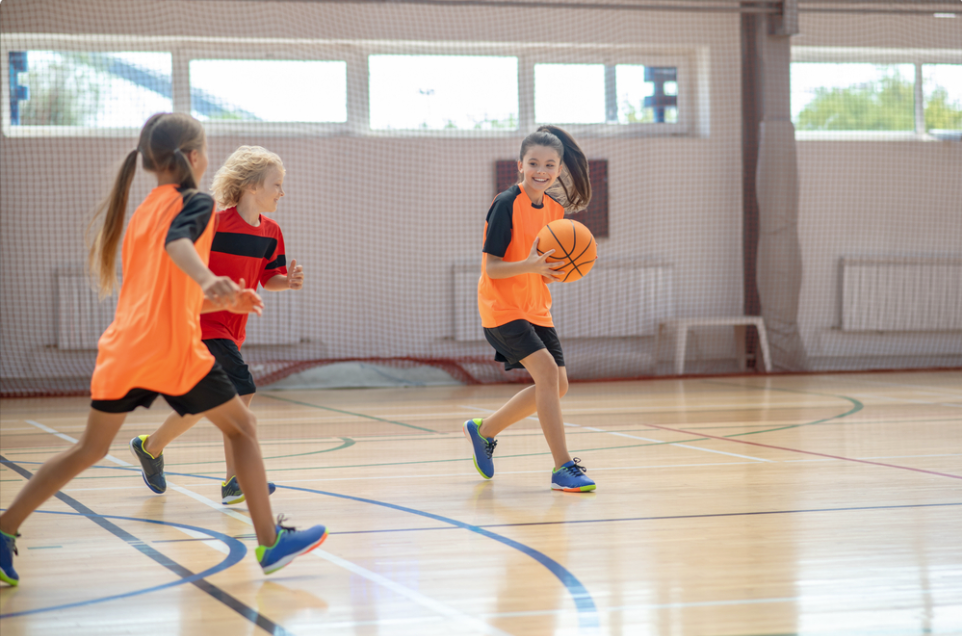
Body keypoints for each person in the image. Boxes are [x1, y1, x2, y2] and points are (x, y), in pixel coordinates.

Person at [0, 114, 325, 587]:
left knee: (88, 449)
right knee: (244, 428)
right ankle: (270, 543)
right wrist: (214, 283)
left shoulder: (145, 208)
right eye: (206, 150)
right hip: (172, 346)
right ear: (193, 157)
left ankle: (4, 527)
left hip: (125, 344)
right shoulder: (194, 203)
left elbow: (163, 278)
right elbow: (179, 248)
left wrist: (226, 294)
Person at [128, 145, 302, 505]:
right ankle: (234, 480)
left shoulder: (272, 232)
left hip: (232, 330)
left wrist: (289, 281)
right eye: (277, 184)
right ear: (252, 185)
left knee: (207, 401)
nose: (281, 192)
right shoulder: (214, 224)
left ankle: (151, 446)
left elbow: (269, 277)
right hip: (199, 322)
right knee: (242, 389)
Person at [464, 125, 596, 493]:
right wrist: (532, 267)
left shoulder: (555, 209)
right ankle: (563, 467)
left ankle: (484, 430)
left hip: (537, 308)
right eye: (534, 162)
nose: (542, 170)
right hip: (501, 308)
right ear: (520, 165)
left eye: (549, 164)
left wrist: (554, 273)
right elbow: (492, 267)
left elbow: (544, 264)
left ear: (558, 169)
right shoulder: (506, 203)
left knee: (558, 385)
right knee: (549, 378)